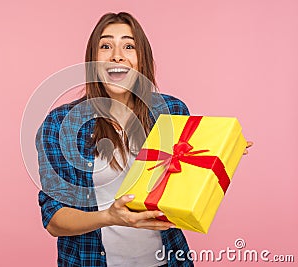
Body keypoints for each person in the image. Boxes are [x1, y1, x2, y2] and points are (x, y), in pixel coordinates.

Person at [36, 12, 252, 267]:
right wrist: (110, 217)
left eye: (129, 46)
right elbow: (54, 219)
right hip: (90, 260)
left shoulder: (171, 112)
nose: (117, 55)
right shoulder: (62, 124)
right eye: (106, 46)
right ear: (93, 61)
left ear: (142, 61)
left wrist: (220, 153)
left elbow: (183, 188)